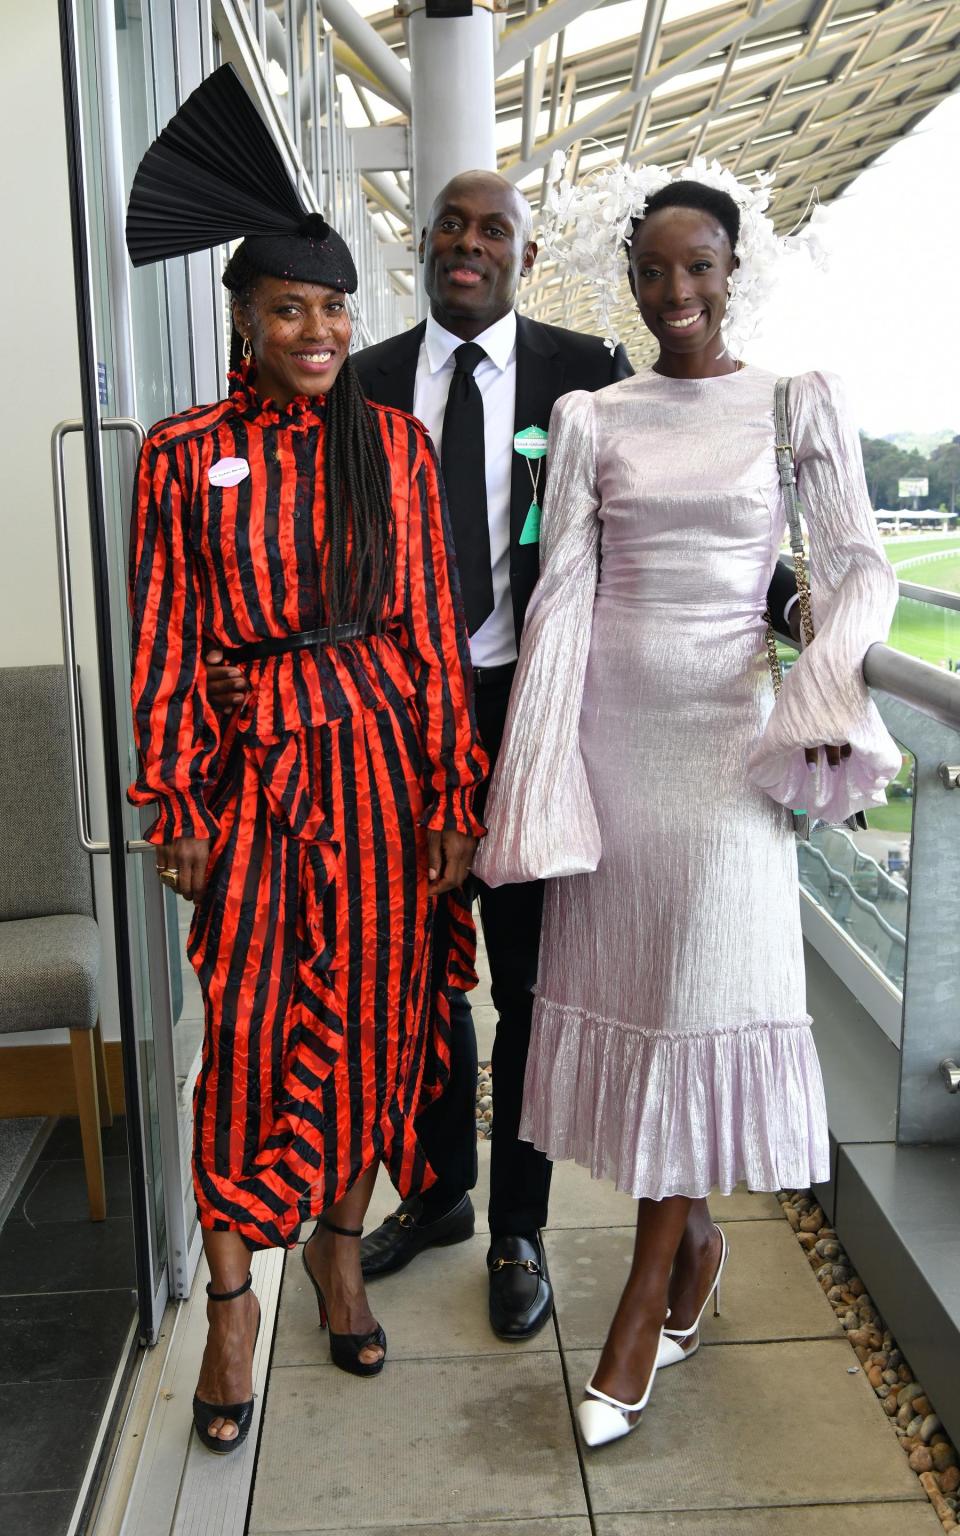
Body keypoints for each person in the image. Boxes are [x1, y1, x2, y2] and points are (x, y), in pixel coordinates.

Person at [207, 168, 801, 1343]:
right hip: (387, 726)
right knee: (419, 971)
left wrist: (793, 606)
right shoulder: (357, 376)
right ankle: (439, 1191)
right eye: (451, 227)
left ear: (525, 256)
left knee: (531, 977)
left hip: (547, 719)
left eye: (494, 231)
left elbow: (685, 518)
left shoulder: (587, 373)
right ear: (423, 247)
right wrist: (244, 657)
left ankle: (520, 1226)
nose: (468, 245)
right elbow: (286, 536)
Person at [474, 164, 900, 1446]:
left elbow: (860, 564)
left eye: (698, 267)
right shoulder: (592, 415)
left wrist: (821, 678)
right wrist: (537, 768)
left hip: (726, 754)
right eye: (653, 271)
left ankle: (642, 1298)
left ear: (734, 268)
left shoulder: (794, 402)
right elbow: (560, 597)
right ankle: (700, 1242)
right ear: (633, 279)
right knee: (651, 1006)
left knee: (705, 998)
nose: (675, 293)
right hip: (613, 747)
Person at [125, 66, 485, 1453]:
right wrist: (174, 800)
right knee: (256, 1044)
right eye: (291, 308)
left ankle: (340, 1248)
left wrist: (459, 795)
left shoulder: (392, 445)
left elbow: (437, 637)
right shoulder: (181, 458)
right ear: (243, 319)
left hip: (392, 789)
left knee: (382, 1036)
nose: (321, 329)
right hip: (261, 790)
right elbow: (164, 641)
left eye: (336, 307)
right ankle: (232, 1303)